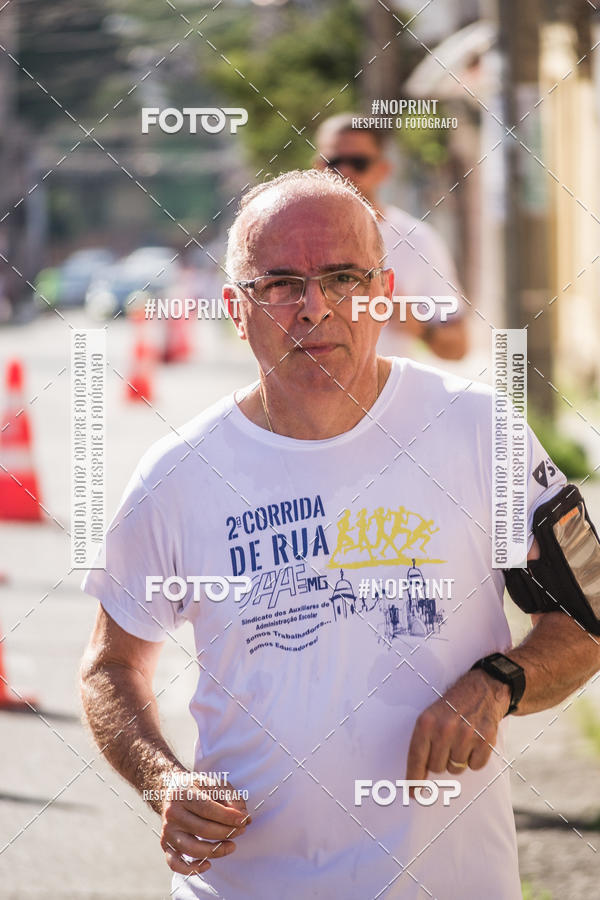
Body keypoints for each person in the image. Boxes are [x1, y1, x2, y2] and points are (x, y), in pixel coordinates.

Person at [80, 170, 600, 900]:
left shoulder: (482, 433)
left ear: (384, 293)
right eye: (281, 283)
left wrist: (499, 683)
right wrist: (163, 781)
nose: (315, 308)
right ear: (237, 308)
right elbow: (110, 667)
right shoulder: (178, 475)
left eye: (343, 278)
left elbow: (586, 618)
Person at [314, 112, 469, 360]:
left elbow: (458, 347)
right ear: (318, 167)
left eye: (358, 162)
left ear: (383, 169)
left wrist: (415, 324)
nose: (344, 171)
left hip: (391, 397)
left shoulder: (417, 240)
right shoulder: (296, 238)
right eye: (333, 161)